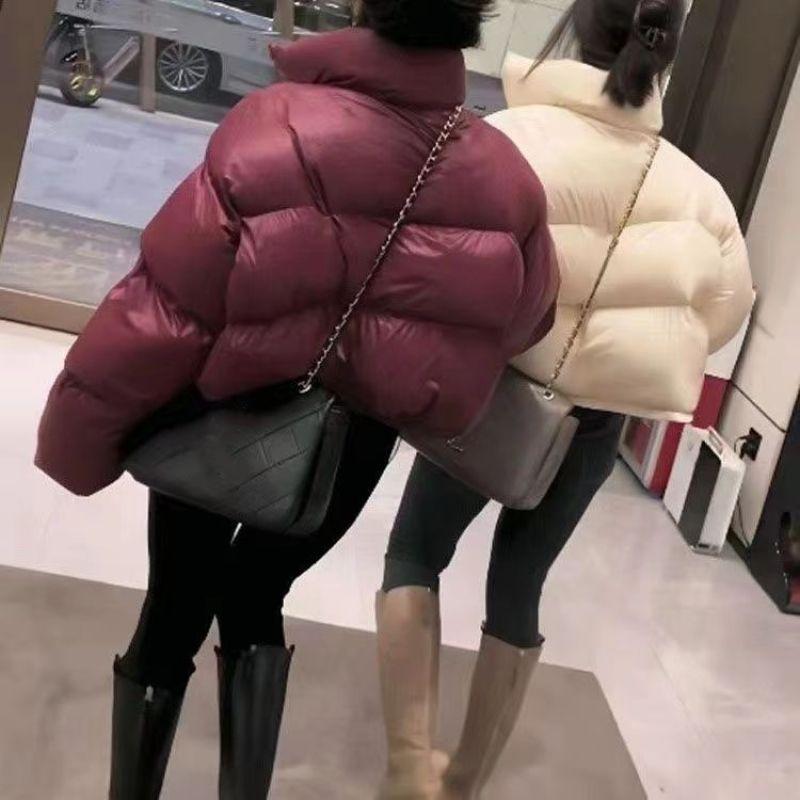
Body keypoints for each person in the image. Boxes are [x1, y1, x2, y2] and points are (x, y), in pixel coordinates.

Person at [34, 1, 559, 798]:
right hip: (351, 445)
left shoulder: (273, 124)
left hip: (224, 415)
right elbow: (524, 319)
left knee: (173, 608)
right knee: (258, 595)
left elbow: (171, 305)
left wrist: (81, 435)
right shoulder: (506, 179)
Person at [374, 1, 755, 798]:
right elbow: (720, 316)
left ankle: (411, 771)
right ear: (666, 55)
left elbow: (437, 259)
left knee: (414, 554)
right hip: (596, 416)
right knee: (519, 586)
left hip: (494, 392)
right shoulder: (702, 195)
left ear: (578, 33)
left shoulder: (507, 140)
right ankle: (465, 784)